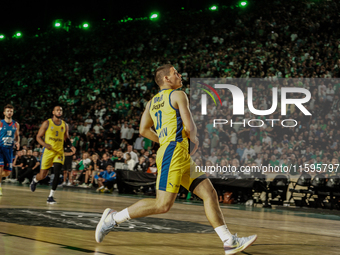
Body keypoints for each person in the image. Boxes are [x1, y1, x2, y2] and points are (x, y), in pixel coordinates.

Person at [95, 64, 257, 254]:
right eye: (175, 73)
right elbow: (189, 127)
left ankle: (229, 241)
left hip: (173, 150)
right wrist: (193, 140)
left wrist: (164, 141)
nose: (180, 75)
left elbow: (143, 130)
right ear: (166, 79)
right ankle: (113, 219)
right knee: (162, 205)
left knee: (209, 194)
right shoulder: (179, 95)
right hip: (174, 152)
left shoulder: (151, 103)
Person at [30, 106, 76, 204]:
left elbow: (66, 138)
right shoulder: (47, 123)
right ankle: (35, 180)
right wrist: (45, 145)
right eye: (57, 110)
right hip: (48, 152)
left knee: (57, 172)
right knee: (42, 175)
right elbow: (38, 137)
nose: (59, 112)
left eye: (61, 110)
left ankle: (51, 196)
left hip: (59, 152)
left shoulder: (65, 125)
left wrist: (71, 146)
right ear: (53, 112)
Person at [0, 104, 20, 196]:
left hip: (9, 150)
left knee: (7, 173)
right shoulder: (0, 123)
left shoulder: (16, 124)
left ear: (13, 112)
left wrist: (17, 142)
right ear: (4, 112)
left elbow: (17, 136)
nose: (9, 112)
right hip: (0, 148)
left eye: (11, 111)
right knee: (0, 168)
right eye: (8, 111)